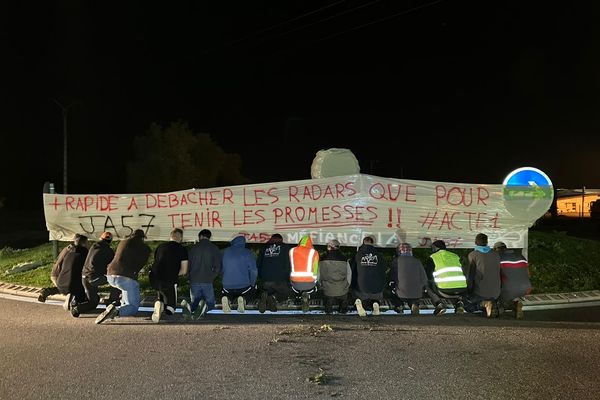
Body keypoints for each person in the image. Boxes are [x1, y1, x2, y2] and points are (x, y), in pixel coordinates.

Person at [95, 229, 151, 324]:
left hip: (110, 275)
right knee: (133, 307)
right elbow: (140, 264)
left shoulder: (123, 242)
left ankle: (121, 307)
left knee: (125, 289)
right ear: (142, 238)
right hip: (124, 277)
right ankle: (116, 311)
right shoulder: (144, 248)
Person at [71, 232, 121, 317]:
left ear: (101, 238)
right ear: (110, 241)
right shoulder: (108, 251)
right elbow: (114, 266)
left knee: (93, 302)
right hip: (94, 278)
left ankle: (76, 308)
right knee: (118, 280)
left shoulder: (93, 247)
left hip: (84, 277)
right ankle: (112, 301)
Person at [149, 228, 189, 323]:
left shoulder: (160, 246)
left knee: (161, 291)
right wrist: (175, 273)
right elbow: (184, 270)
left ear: (170, 236)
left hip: (154, 276)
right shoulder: (182, 249)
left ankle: (159, 303)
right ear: (181, 238)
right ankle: (164, 307)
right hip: (170, 279)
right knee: (171, 309)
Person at [182, 229, 222, 320]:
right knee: (211, 304)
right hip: (208, 279)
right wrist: (213, 276)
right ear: (209, 237)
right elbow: (218, 266)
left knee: (195, 302)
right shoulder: (214, 248)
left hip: (194, 279)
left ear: (200, 237)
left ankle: (189, 306)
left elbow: (188, 264)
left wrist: (188, 275)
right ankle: (203, 309)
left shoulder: (193, 248)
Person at [37, 234, 86, 304]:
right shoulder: (75, 252)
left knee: (63, 287)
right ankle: (72, 302)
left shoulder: (68, 248)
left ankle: (46, 292)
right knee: (69, 287)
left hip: (55, 272)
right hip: (59, 273)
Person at [424, 240, 468, 316]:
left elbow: (428, 275)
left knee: (427, 284)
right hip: (462, 290)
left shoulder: (433, 257)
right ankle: (459, 304)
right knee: (455, 284)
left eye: (432, 248)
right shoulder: (455, 256)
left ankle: (439, 305)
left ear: (435, 247)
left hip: (444, 290)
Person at [465, 233, 502, 318]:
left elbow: (470, 276)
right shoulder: (496, 255)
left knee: (467, 305)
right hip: (496, 293)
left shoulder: (473, 255)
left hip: (480, 292)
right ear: (487, 242)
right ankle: (495, 305)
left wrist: (468, 291)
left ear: (475, 242)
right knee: (491, 298)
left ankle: (484, 304)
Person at [493, 241, 532, 319]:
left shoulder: (498, 258)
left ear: (496, 249)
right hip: (526, 288)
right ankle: (516, 303)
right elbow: (529, 275)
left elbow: (494, 276)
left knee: (497, 288)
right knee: (512, 289)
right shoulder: (521, 256)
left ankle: (502, 306)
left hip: (508, 288)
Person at [220, 235, 258, 313]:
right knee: (251, 291)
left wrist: (223, 279)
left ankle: (227, 299)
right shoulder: (248, 253)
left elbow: (220, 268)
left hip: (227, 285)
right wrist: (252, 283)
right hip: (244, 286)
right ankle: (243, 300)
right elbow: (253, 270)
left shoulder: (224, 252)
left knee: (228, 292)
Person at [389, 243, 428, 315]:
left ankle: (399, 306)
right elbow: (424, 278)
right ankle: (414, 304)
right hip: (417, 294)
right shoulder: (417, 261)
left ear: (399, 251)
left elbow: (392, 277)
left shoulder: (396, 261)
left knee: (393, 289)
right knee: (413, 295)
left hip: (401, 293)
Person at [256, 233, 292, 313]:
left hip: (265, 280)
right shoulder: (286, 248)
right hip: (279, 280)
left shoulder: (264, 247)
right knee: (286, 293)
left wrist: (261, 277)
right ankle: (273, 298)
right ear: (282, 240)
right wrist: (287, 280)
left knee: (268, 288)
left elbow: (258, 264)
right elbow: (288, 265)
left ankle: (267, 297)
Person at [351, 236, 386, 317]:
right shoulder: (379, 256)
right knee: (375, 298)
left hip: (362, 288)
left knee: (356, 293)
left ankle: (359, 302)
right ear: (373, 244)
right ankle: (375, 303)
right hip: (377, 289)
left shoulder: (357, 255)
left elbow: (352, 271)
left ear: (363, 243)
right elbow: (383, 270)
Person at [55, 234, 89, 312]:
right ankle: (74, 300)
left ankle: (70, 296)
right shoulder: (84, 253)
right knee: (83, 299)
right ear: (84, 243)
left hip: (60, 283)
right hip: (73, 285)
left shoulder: (69, 253)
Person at [318, 239, 351, 314]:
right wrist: (347, 285)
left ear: (329, 247)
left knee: (328, 298)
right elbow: (349, 275)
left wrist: (320, 284)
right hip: (342, 289)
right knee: (343, 297)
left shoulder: (323, 259)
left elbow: (318, 274)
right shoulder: (345, 260)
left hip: (327, 289)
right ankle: (343, 310)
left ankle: (329, 311)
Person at [289, 235, 319, 313]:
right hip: (310, 284)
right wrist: (315, 280)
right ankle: (307, 295)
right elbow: (315, 269)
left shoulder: (292, 251)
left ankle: (300, 295)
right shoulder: (314, 252)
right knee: (314, 288)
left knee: (296, 287)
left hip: (295, 283)